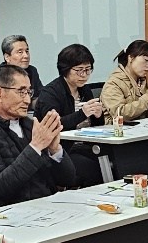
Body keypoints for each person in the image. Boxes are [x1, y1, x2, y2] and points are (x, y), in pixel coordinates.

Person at [0, 63, 76, 208]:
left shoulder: (32, 126)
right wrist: (36, 146)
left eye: (29, 92)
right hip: (10, 212)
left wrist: (55, 150)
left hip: (46, 205)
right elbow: (0, 186)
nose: (28, 100)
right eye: (21, 92)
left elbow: (68, 180)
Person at [34, 43, 106, 186]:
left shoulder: (85, 90)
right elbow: (54, 125)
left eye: (88, 70)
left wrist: (98, 115)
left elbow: (96, 126)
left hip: (86, 145)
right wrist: (82, 113)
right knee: (96, 169)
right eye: (79, 70)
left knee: (115, 160)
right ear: (65, 69)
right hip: (62, 149)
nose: (84, 75)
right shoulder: (51, 93)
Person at [100, 39, 148, 123]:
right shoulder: (113, 83)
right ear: (131, 58)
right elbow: (119, 115)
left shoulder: (142, 82)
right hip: (118, 130)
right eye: (146, 60)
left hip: (140, 129)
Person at [0, 34, 43, 109]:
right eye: (20, 52)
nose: (26, 56)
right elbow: (9, 104)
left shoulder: (32, 71)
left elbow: (40, 96)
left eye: (27, 51)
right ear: (7, 57)